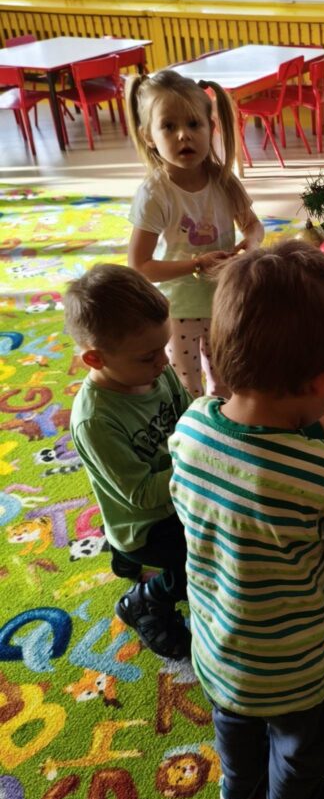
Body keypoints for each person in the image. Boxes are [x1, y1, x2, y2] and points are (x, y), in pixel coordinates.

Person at [169, 240, 324, 799]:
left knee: (234, 722)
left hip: (218, 649)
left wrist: (304, 425)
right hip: (299, 667)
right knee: (306, 743)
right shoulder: (323, 473)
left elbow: (249, 465)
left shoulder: (192, 427)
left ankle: (237, 787)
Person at [63, 264, 193, 660]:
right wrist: (200, 466)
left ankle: (128, 565)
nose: (163, 362)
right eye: (149, 356)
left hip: (178, 488)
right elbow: (141, 495)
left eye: (165, 347)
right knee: (208, 556)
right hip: (145, 524)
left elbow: (188, 414)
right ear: (94, 358)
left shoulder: (155, 372)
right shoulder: (95, 420)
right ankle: (147, 601)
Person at [125, 69, 265, 399]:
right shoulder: (155, 194)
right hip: (178, 311)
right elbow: (140, 266)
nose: (183, 136)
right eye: (168, 126)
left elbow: (253, 225)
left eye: (193, 124)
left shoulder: (224, 181)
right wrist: (197, 264)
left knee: (227, 382)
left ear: (211, 128)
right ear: (148, 136)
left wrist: (252, 244)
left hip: (224, 303)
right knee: (187, 389)